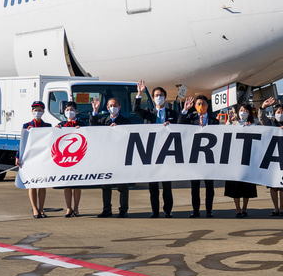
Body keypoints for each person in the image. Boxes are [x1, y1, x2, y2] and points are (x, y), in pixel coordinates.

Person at [134, 80, 179, 218]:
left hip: (167, 153)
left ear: (165, 97)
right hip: (151, 152)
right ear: (152, 98)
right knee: (153, 186)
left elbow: (180, 125)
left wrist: (171, 125)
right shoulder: (148, 112)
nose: (158, 97)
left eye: (161, 95)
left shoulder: (172, 113)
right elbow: (136, 110)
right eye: (156, 95)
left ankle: (168, 210)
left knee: (167, 186)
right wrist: (139, 94)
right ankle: (155, 210)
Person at [179, 95, 219, 217]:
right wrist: (185, 110)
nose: (201, 106)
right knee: (195, 187)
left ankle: (209, 210)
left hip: (208, 158)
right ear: (195, 106)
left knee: (209, 187)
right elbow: (179, 123)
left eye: (203, 104)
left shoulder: (214, 121)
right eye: (198, 104)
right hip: (194, 157)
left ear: (207, 105)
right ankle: (195, 211)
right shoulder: (190, 118)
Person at [90, 97, 130, 218]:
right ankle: (106, 209)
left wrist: (118, 129)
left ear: (119, 107)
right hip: (106, 157)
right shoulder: (103, 121)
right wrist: (95, 111)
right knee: (106, 185)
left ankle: (123, 209)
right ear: (107, 108)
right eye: (111, 106)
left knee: (122, 185)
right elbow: (92, 126)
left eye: (115, 105)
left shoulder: (125, 121)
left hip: (120, 157)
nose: (113, 107)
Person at [258, 97, 283, 216]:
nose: (281, 114)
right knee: (273, 186)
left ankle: (282, 208)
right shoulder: (270, 123)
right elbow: (261, 119)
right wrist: (263, 107)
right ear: (274, 114)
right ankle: (275, 208)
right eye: (278, 112)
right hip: (272, 159)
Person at [18, 101, 52, 218]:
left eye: (39, 110)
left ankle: (42, 209)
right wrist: (18, 156)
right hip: (30, 158)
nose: (37, 112)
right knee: (32, 184)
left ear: (43, 112)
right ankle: (35, 209)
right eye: (35, 110)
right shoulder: (26, 125)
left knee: (42, 184)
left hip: (42, 159)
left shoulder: (47, 126)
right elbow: (22, 143)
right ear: (32, 111)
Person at [224, 104, 258, 217]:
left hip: (248, 160)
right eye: (241, 110)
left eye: (246, 110)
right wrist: (229, 122)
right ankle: (238, 208)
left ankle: (245, 207)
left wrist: (252, 127)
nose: (243, 112)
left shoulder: (254, 125)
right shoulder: (233, 124)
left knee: (247, 186)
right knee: (235, 186)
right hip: (234, 160)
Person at [56, 101, 86, 217]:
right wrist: (56, 130)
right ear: (64, 112)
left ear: (76, 111)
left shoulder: (82, 124)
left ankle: (76, 208)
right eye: (67, 110)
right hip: (65, 159)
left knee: (77, 184)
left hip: (78, 157)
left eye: (72, 110)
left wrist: (82, 130)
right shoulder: (61, 124)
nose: (70, 112)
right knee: (67, 184)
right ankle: (68, 208)